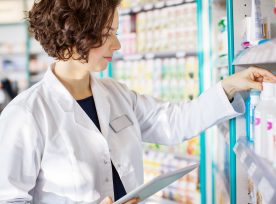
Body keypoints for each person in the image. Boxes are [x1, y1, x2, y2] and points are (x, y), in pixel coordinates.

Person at [0, 0, 275, 203]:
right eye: (109, 34)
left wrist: (229, 86)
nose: (117, 46)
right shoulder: (25, 115)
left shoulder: (115, 94)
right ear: (76, 35)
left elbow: (174, 122)